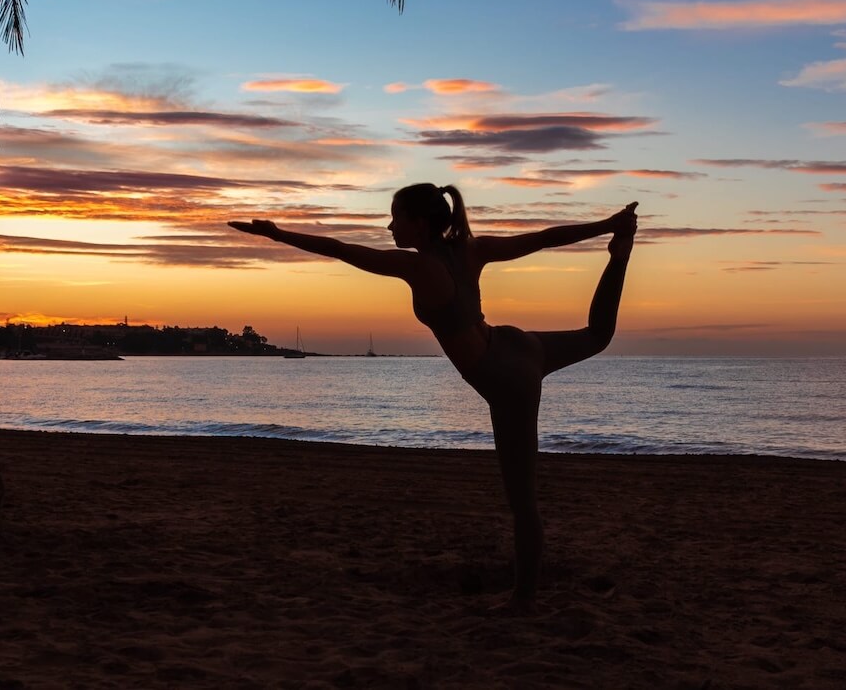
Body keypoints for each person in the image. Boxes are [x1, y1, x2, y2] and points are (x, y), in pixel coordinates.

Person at [230, 184, 638, 613]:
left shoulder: (416, 266)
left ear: (419, 223)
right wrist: (607, 225)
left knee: (523, 501)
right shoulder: (470, 250)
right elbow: (542, 239)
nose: (389, 226)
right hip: (516, 344)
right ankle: (619, 257)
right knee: (598, 335)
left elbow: (340, 249)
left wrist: (278, 235)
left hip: (506, 380)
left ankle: (523, 599)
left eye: (395, 217)